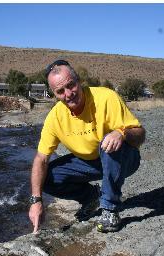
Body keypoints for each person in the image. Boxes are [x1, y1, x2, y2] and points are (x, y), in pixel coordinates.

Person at [29, 60, 145, 233]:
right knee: (46, 178)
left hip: (125, 159)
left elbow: (140, 133)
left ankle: (110, 209)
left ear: (79, 81)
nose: (68, 94)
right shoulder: (54, 118)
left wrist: (122, 133)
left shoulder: (106, 97)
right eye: (60, 91)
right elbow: (41, 159)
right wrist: (36, 201)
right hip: (89, 163)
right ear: (54, 94)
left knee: (108, 141)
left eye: (71, 85)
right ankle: (90, 197)